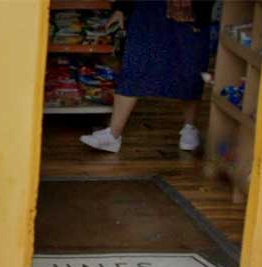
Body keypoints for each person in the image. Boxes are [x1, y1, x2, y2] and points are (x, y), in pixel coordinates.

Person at [80, 0, 215, 153]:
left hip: (191, 8)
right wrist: (122, 8)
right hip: (149, 9)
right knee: (135, 63)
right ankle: (113, 134)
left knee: (190, 67)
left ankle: (190, 128)